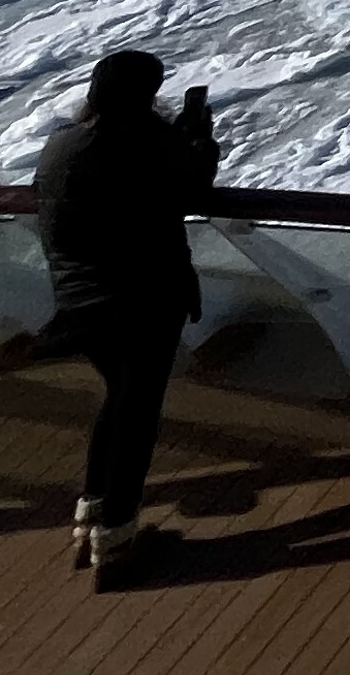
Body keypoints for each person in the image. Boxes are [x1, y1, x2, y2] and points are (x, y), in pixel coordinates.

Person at [31, 48, 218, 586]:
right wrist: (199, 141)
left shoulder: (62, 145)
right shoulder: (146, 143)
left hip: (79, 305)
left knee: (119, 401)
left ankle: (92, 511)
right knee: (137, 414)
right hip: (144, 301)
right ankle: (114, 538)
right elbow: (190, 188)